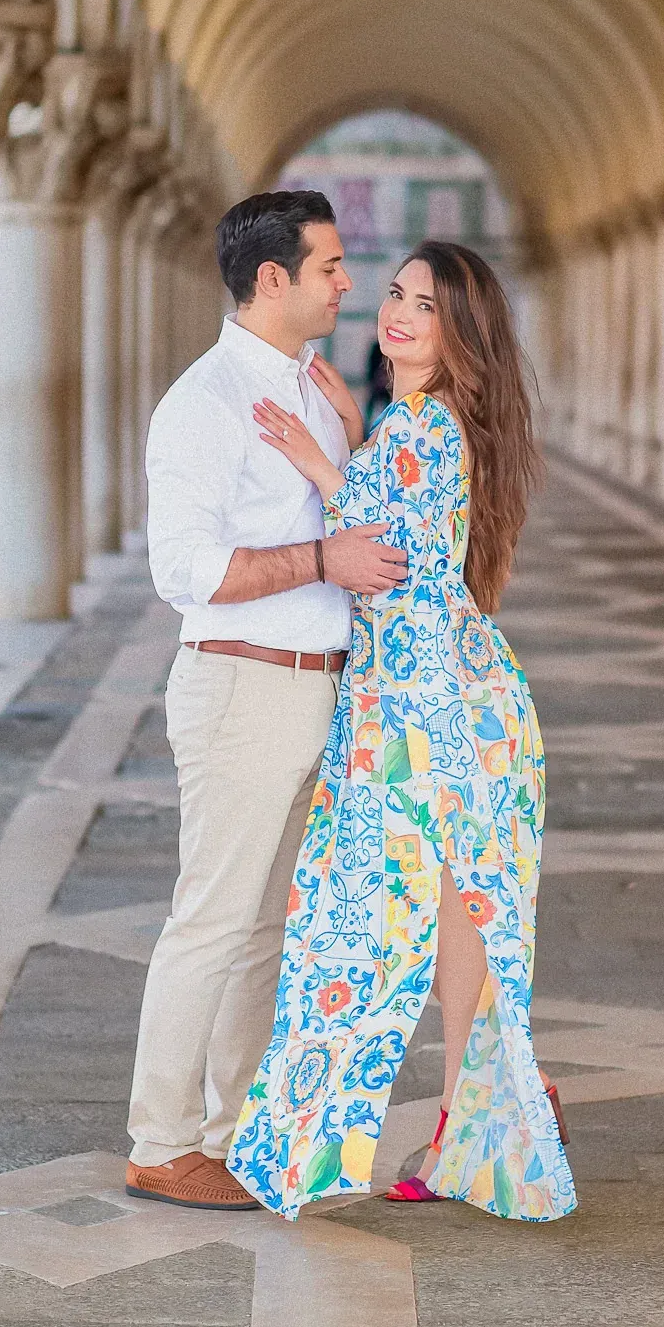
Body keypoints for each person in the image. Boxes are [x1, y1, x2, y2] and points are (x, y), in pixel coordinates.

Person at [227, 240, 577, 1222]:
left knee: (365, 925)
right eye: (394, 293)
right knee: (461, 926)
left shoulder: (422, 425)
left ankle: (334, 1139)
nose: (396, 312)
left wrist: (312, 459)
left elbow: (388, 560)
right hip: (452, 700)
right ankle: (492, 1110)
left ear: (457, 329)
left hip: (425, 710)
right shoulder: (424, 419)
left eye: (423, 304)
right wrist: (346, 430)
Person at [126, 189, 408, 1210]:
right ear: (272, 278)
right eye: (329, 265)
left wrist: (346, 435)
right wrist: (321, 555)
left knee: (260, 930)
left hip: (310, 687)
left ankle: (228, 1129)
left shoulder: (308, 385)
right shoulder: (203, 403)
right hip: (243, 680)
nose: (346, 281)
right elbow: (185, 569)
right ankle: (161, 1140)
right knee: (209, 922)